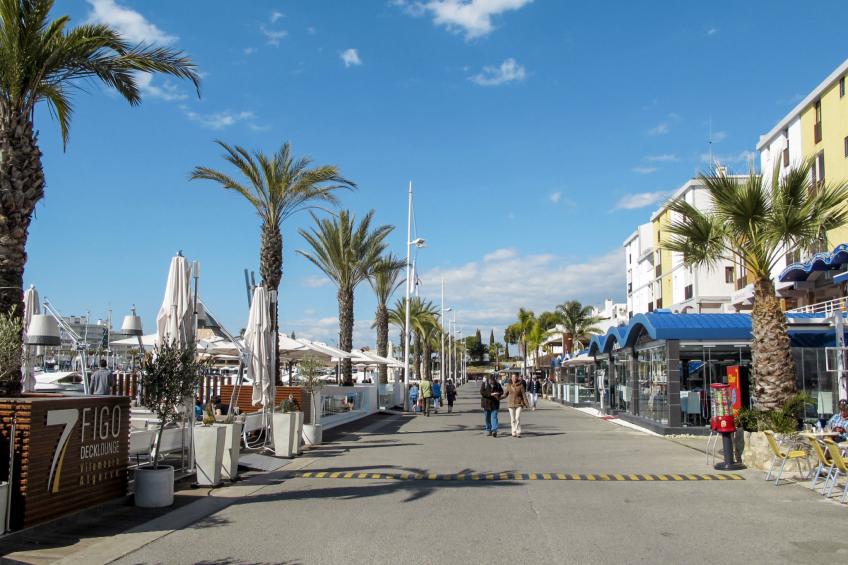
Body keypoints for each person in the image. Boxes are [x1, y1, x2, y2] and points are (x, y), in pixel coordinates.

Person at [502, 373, 529, 438]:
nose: (513, 378)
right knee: (513, 419)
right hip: (511, 404)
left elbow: (524, 396)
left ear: (517, 378)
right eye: (512, 377)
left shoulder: (521, 386)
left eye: (514, 377)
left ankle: (518, 432)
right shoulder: (509, 385)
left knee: (517, 418)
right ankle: (513, 431)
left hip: (519, 404)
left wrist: (527, 404)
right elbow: (505, 395)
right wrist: (498, 397)